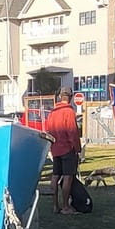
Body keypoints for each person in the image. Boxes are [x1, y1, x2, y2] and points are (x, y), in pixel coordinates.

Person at [44, 86, 81, 215]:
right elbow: (72, 132)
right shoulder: (69, 112)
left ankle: (55, 206)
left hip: (55, 148)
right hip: (67, 148)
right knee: (67, 177)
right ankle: (66, 206)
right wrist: (77, 148)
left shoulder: (53, 112)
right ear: (70, 97)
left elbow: (48, 130)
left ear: (60, 96)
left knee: (55, 176)